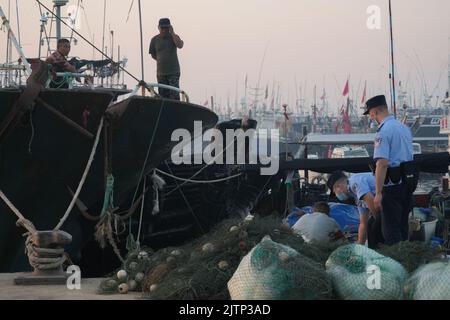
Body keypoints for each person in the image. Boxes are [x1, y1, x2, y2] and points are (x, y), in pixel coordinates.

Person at [363, 95, 419, 246]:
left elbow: (382, 163)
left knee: (390, 230)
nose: (371, 118)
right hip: (407, 183)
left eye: (370, 114)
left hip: (392, 187)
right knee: (402, 226)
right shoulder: (404, 128)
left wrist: (379, 193)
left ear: (374, 112)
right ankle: (406, 257)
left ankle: (397, 260)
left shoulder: (383, 132)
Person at [327, 171, 382, 247]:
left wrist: (380, 223)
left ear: (338, 186)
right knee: (370, 225)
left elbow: (370, 201)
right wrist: (359, 246)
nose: (337, 196)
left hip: (394, 198)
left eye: (335, 192)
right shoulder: (356, 196)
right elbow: (363, 223)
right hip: (385, 203)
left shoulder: (354, 182)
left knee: (374, 226)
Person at [149, 18, 184, 100]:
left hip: (173, 72)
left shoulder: (174, 37)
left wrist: (172, 32)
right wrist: (161, 60)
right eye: (162, 28)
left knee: (174, 95)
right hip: (161, 73)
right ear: (159, 28)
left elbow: (180, 45)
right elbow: (153, 54)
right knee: (163, 96)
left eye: (166, 28)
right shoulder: (154, 40)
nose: (164, 30)